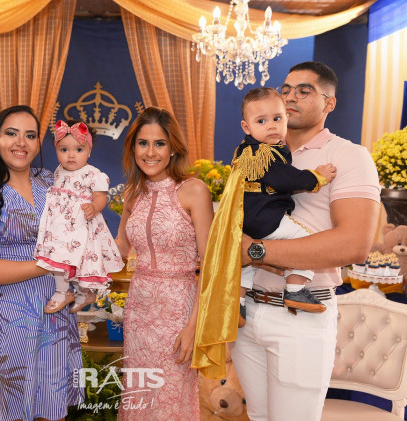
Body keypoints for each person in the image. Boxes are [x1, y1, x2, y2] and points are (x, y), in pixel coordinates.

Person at [233, 62, 380, 421]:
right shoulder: (258, 151)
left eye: (304, 90)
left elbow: (353, 245)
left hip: (300, 316)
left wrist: (254, 252)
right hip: (247, 310)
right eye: (286, 89)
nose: (290, 96)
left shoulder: (347, 156)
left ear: (329, 103)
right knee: (257, 417)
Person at [0, 105, 84, 421]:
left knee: (53, 410)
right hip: (13, 317)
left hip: (56, 314)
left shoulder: (51, 181)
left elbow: (79, 233)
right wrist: (47, 265)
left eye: (30, 135)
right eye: (11, 133)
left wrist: (74, 278)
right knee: (13, 411)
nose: (21, 143)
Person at [115, 107, 214, 419]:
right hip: (138, 311)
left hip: (178, 311)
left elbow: (210, 266)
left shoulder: (194, 190)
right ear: (133, 148)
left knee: (171, 398)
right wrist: (76, 234)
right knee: (139, 397)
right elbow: (119, 250)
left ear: (173, 148)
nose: (150, 152)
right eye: (143, 143)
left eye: (159, 143)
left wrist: (194, 326)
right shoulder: (132, 193)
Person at [236, 87, 337, 323]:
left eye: (277, 118)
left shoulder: (244, 150)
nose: (271, 126)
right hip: (265, 218)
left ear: (286, 118)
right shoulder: (264, 153)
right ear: (246, 127)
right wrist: (317, 177)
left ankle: (237, 305)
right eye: (261, 121)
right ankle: (295, 290)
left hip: (245, 219)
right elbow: (287, 179)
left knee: (245, 263)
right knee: (304, 241)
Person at [34, 119, 124, 314]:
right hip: (60, 224)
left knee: (80, 259)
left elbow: (101, 196)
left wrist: (94, 207)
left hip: (81, 223)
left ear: (89, 151)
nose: (71, 155)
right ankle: (63, 291)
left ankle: (83, 293)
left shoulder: (92, 174)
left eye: (79, 149)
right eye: (64, 149)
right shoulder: (58, 171)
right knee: (58, 254)